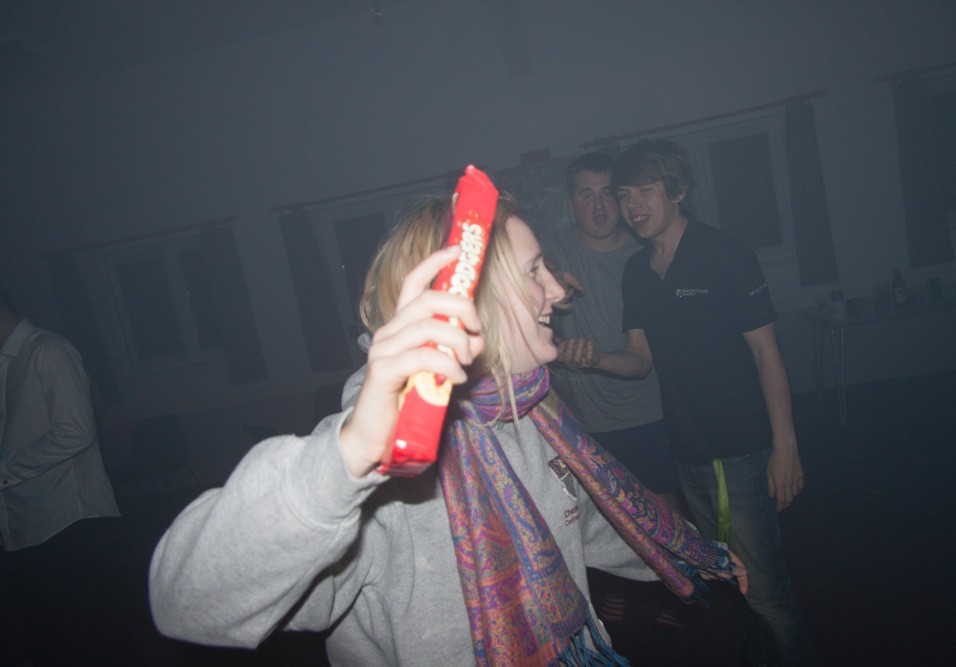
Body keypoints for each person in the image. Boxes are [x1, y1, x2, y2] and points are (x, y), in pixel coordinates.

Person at [149, 191, 747, 666]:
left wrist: (693, 552)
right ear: (471, 300)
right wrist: (349, 456)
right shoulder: (378, 462)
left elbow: (583, 519)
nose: (558, 291)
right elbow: (189, 603)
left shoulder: (530, 408)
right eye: (535, 271)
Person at [566, 139, 814, 665]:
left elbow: (768, 354)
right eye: (625, 194)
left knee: (764, 588)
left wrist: (786, 446)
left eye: (644, 191)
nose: (632, 206)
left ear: (677, 191)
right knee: (731, 578)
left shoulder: (723, 254)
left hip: (739, 448)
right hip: (685, 450)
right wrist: (593, 359)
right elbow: (639, 359)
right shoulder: (638, 270)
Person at [544, 152, 679, 505]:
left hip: (650, 413)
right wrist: (548, 278)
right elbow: (538, 264)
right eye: (587, 195)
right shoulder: (555, 250)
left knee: (667, 520)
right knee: (606, 526)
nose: (599, 205)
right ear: (571, 204)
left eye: (607, 193)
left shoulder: (645, 255)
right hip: (585, 424)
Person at [0, 283, 122, 663]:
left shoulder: (47, 350)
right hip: (28, 525)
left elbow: (76, 431)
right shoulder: (9, 362)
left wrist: (5, 470)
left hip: (69, 521)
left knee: (93, 639)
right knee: (57, 640)